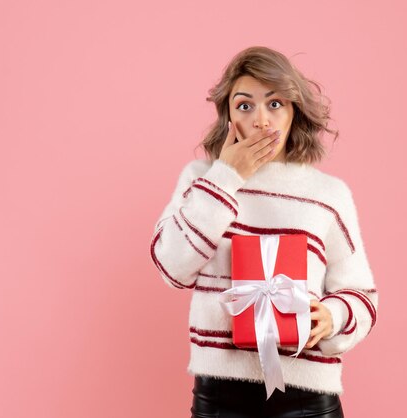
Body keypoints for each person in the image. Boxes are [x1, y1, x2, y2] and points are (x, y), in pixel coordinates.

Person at [150, 46, 379, 418]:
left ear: (294, 111)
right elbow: (171, 267)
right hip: (219, 397)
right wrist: (227, 175)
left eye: (274, 104)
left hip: (307, 398)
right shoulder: (201, 180)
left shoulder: (328, 194)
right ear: (228, 115)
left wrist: (331, 316)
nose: (261, 120)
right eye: (245, 105)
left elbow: (362, 294)